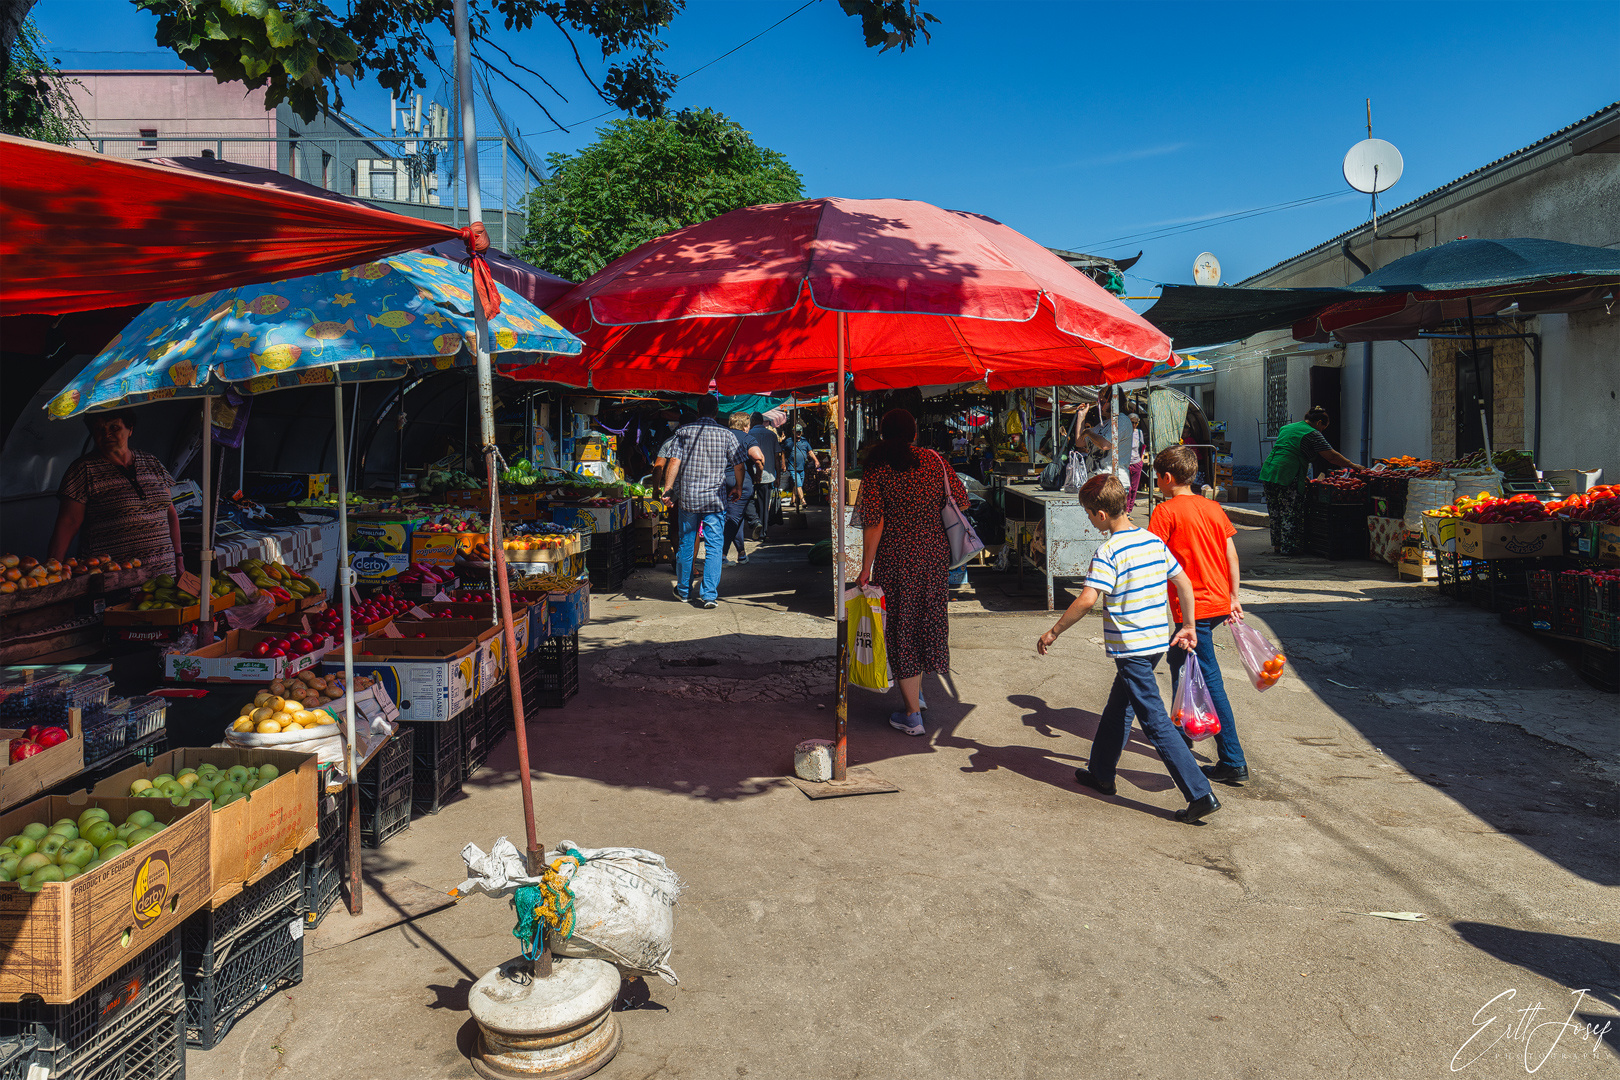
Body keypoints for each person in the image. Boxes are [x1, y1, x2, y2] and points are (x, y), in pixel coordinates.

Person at [1036, 474, 1219, 824]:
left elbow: (1088, 599)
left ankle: (1199, 793)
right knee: (1119, 705)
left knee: (1154, 721)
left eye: (1089, 514)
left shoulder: (1108, 551)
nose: (1089, 521)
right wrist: (1189, 625)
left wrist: (1054, 631)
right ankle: (1101, 773)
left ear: (1101, 515)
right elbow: (1182, 581)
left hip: (1132, 649)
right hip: (1155, 643)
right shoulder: (1151, 541)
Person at [854, 409, 970, 737]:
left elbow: (873, 522)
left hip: (896, 559)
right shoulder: (934, 460)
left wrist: (865, 568)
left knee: (902, 629)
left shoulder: (877, 467)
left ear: (882, 433)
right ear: (915, 432)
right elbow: (961, 499)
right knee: (924, 622)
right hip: (933, 556)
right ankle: (914, 692)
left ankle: (912, 715)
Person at [1148, 446, 1249, 784]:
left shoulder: (1165, 512)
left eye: (1157, 477)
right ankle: (1186, 733)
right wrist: (1234, 596)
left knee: (1208, 679)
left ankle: (1233, 760)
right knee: (1180, 663)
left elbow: (1151, 561)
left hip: (1195, 610)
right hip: (1218, 601)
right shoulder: (1213, 507)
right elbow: (1231, 554)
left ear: (1166, 477)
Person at [48, 409, 183, 575]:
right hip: (114, 580)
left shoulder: (152, 463)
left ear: (130, 429)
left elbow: (170, 513)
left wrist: (179, 558)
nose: (107, 434)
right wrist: (52, 572)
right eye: (99, 429)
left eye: (114, 428)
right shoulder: (83, 470)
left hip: (164, 576)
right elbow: (68, 523)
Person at [661, 397, 746, 608]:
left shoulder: (683, 432)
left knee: (686, 544)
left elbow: (674, 462)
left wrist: (668, 489)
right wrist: (738, 486)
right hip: (715, 500)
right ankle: (709, 595)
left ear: (698, 410)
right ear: (716, 411)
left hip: (689, 499)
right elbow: (739, 464)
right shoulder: (726, 434)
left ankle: (683, 591)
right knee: (715, 547)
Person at [1259, 405, 1361, 555]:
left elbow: (1289, 451)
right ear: (1319, 422)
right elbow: (1331, 456)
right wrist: (1352, 465)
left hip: (1269, 471)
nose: (1321, 432)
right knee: (1290, 511)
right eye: (1323, 428)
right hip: (1287, 474)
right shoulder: (1312, 433)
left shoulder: (1287, 428)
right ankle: (1289, 549)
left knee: (1275, 511)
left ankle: (1278, 546)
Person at [721, 413, 766, 565]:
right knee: (733, 518)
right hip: (741, 481)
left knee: (737, 517)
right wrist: (758, 476)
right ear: (746, 426)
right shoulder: (747, 438)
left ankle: (741, 554)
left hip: (722, 481)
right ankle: (721, 555)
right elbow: (759, 458)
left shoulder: (723, 435)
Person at [747, 412, 779, 540]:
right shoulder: (772, 435)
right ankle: (763, 532)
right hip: (767, 475)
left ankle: (754, 523)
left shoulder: (749, 435)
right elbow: (777, 457)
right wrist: (778, 477)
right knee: (764, 504)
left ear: (753, 421)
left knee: (749, 502)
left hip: (750, 475)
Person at [783, 425, 819, 509]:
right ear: (793, 432)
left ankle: (792, 501)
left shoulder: (804, 441)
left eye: (799, 432)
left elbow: (810, 452)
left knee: (798, 485)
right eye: (796, 431)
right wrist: (783, 464)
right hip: (792, 467)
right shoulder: (788, 441)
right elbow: (783, 452)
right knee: (798, 484)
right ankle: (803, 501)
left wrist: (816, 460)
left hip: (802, 467)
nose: (798, 433)